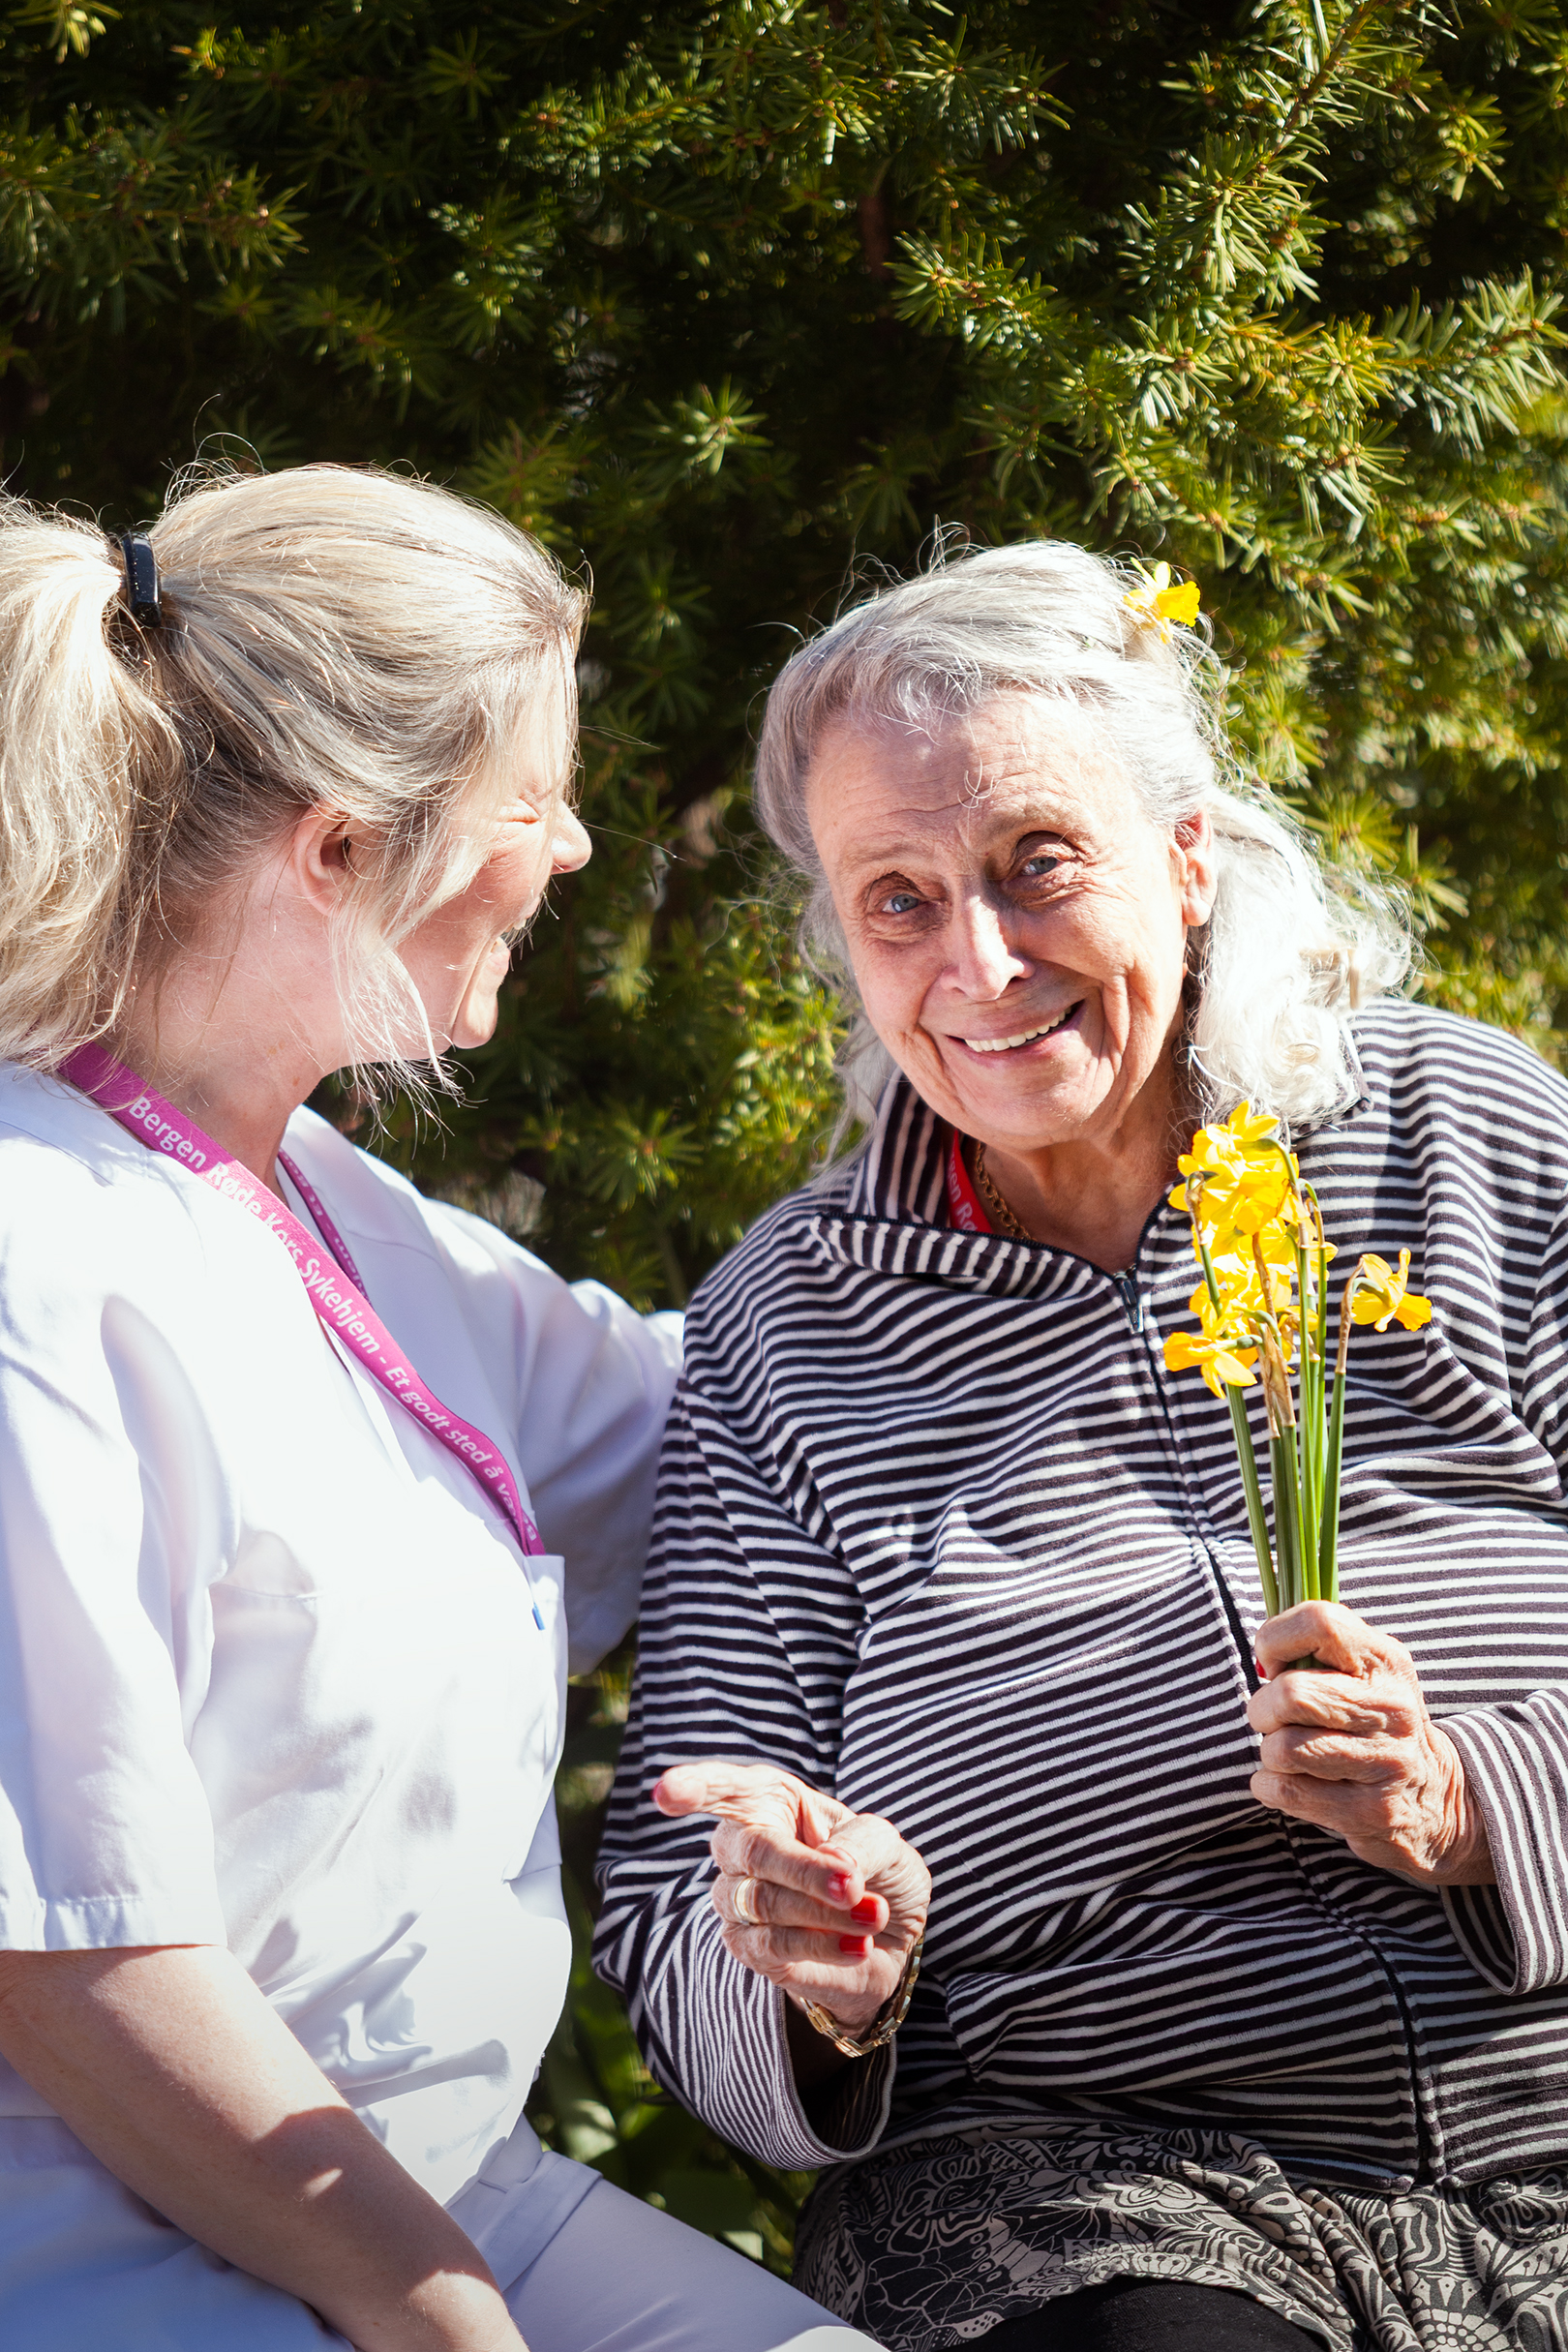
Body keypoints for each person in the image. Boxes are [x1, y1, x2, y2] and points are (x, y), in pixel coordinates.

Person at [593, 538, 1568, 2352]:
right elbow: (674, 1898)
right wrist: (813, 1961)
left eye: (1038, 862)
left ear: (1187, 858)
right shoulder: (786, 1327)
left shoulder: (1457, 1133)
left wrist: (1466, 1807)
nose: (977, 959)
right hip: (1091, 2178)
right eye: (897, 899)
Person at [0, 467, 882, 2352]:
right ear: (335, 848)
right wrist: (439, 2314)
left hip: (436, 2189)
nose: (570, 849)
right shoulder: (36, 1262)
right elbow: (73, 1972)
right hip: (127, 2236)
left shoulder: (330, 1207)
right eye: (532, 797)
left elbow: (715, 1423)